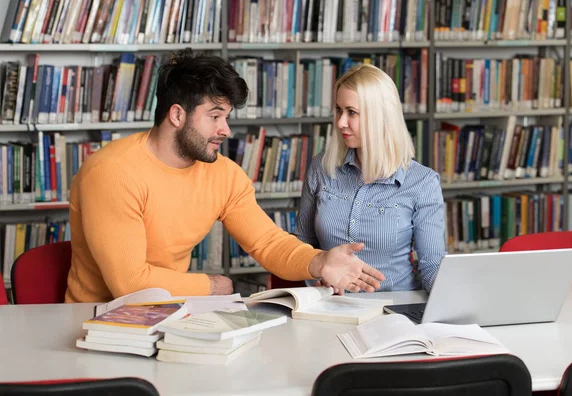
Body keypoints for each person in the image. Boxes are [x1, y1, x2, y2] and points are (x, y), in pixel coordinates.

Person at [65, 49, 385, 303]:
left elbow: (266, 242)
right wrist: (213, 285)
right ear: (177, 115)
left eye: (227, 116)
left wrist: (319, 262)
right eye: (215, 116)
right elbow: (129, 284)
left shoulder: (223, 174)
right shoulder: (113, 172)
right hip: (98, 318)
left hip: (169, 310)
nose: (226, 130)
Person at [294, 63, 446, 293]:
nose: (340, 122)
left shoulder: (422, 182)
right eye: (338, 110)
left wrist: (456, 309)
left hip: (394, 309)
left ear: (380, 117)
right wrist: (317, 275)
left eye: (351, 112)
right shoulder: (321, 168)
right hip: (329, 305)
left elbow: (432, 266)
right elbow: (302, 244)